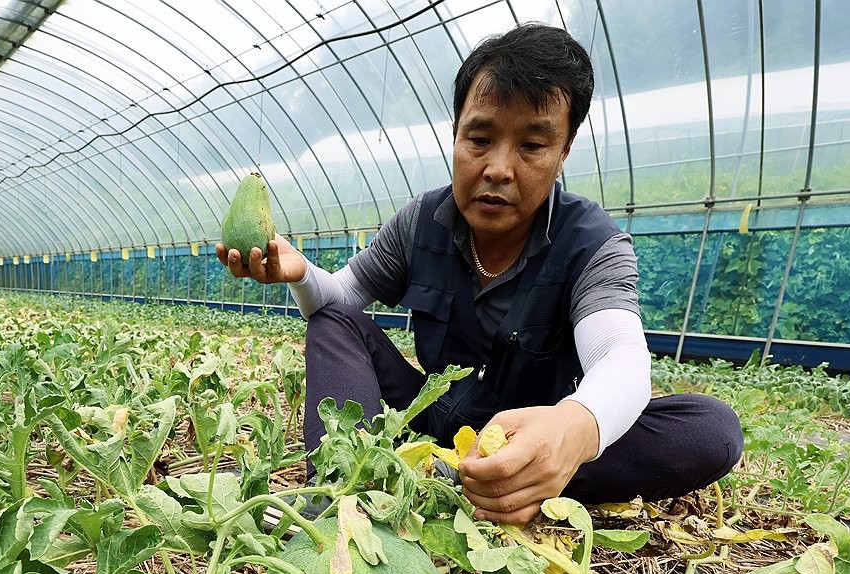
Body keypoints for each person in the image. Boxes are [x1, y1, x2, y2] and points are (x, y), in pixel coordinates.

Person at [217, 23, 743, 525]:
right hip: (428, 416)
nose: (497, 168)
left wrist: (572, 429)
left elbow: (621, 357)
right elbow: (342, 296)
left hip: (527, 436)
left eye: (532, 146)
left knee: (711, 429)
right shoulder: (420, 222)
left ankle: (490, 478)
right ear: (455, 135)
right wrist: (300, 273)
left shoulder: (591, 242)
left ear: (563, 153)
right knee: (333, 319)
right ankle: (340, 493)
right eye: (479, 140)